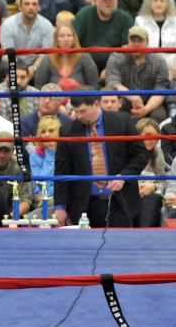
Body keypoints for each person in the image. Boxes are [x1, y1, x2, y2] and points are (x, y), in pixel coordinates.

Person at [54, 86, 149, 228]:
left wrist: (123, 176)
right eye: (76, 111)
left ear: (96, 104)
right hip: (83, 204)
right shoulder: (68, 130)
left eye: (83, 111)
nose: (79, 116)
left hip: (119, 201)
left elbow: (141, 155)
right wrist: (60, 206)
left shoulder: (121, 121)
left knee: (119, 246)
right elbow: (62, 170)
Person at [104, 26, 170, 122]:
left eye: (140, 41)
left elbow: (161, 89)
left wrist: (146, 109)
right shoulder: (116, 57)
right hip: (124, 101)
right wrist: (133, 97)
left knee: (159, 114)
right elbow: (112, 82)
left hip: (150, 102)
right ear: (128, 41)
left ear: (147, 42)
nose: (136, 44)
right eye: (133, 40)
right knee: (113, 108)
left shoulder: (159, 61)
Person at [72, 0, 134, 73]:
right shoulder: (84, 14)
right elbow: (73, 43)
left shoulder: (125, 18)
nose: (107, 2)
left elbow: (127, 49)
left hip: (116, 69)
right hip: (84, 67)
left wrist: (111, 69)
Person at [33, 23, 99, 91]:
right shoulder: (47, 59)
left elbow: (93, 86)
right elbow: (39, 88)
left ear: (74, 38)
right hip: (54, 101)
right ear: (56, 39)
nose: (66, 39)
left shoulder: (85, 57)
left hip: (81, 101)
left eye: (69, 35)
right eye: (62, 36)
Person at [0, 0, 53, 71]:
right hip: (14, 63)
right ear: (20, 6)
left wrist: (34, 68)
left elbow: (45, 54)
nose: (31, 7)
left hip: (37, 65)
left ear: (39, 7)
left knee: (46, 66)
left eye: (34, 4)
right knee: (4, 66)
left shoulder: (47, 25)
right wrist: (22, 70)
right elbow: (7, 54)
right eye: (27, 4)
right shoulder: (8, 24)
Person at [0, 132, 33, 214]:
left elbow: (25, 199)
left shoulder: (19, 167)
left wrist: (13, 216)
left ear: (13, 151)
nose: (2, 155)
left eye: (6, 151)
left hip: (11, 209)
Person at [134, 118, 165, 227]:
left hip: (150, 196)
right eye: (147, 135)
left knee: (153, 198)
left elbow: (163, 182)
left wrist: (153, 187)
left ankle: (145, 232)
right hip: (131, 193)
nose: (151, 140)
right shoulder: (128, 152)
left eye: (155, 136)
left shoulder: (157, 153)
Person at [29, 121, 56, 208]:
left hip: (61, 196)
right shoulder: (34, 156)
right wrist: (50, 153)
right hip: (44, 200)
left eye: (51, 131)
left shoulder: (66, 152)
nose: (47, 135)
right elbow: (43, 183)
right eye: (43, 132)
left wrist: (49, 193)